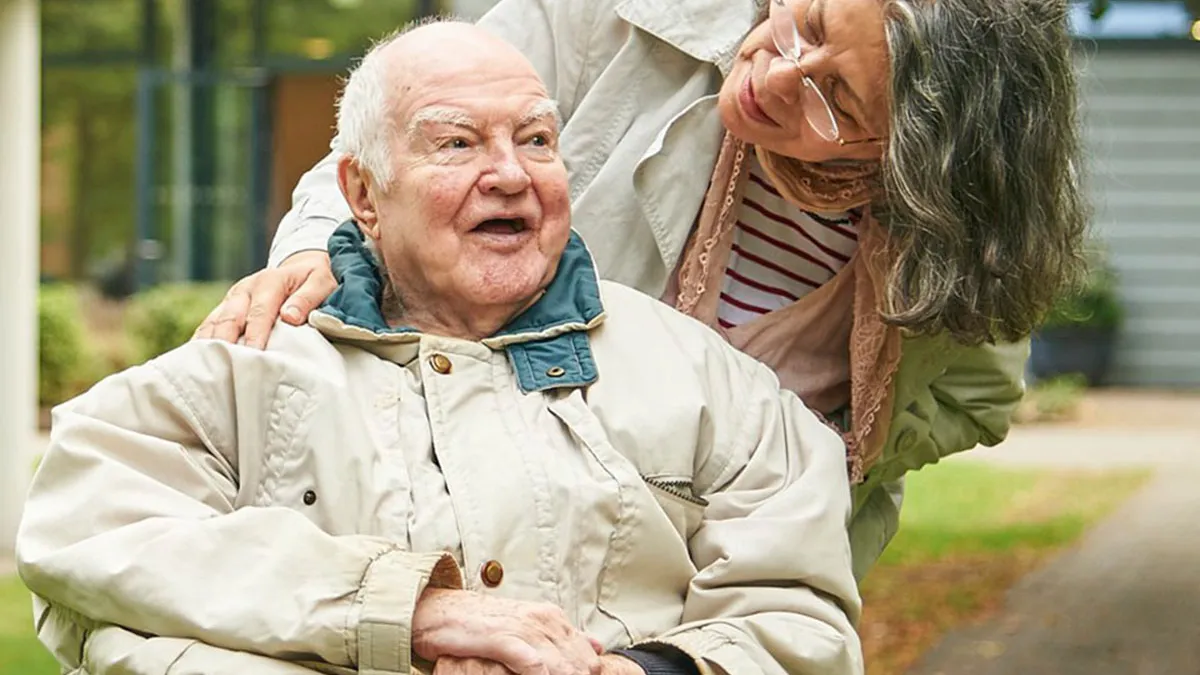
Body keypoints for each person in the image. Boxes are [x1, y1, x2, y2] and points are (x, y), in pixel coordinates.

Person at [17, 21, 863, 675]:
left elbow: (799, 615)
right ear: (362, 192)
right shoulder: (255, 358)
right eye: (457, 142)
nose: (510, 173)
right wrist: (405, 614)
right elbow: (84, 549)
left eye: (536, 139)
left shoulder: (709, 381)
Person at [196, 0, 1088, 579]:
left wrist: (815, 450)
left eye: (836, 100)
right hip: (515, 493)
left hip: (718, 572)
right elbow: (405, 123)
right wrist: (318, 248)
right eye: (806, 22)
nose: (775, 75)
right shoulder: (615, 15)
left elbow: (977, 396)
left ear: (911, 158)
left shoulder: (956, 234)